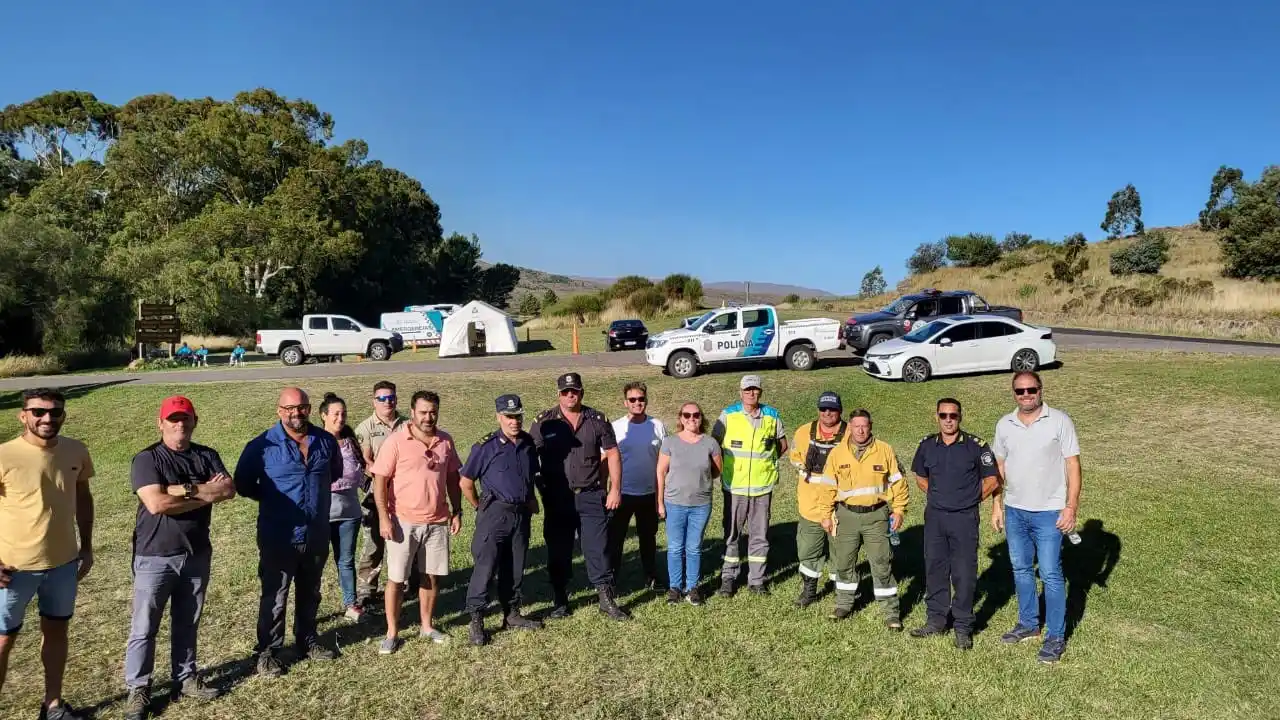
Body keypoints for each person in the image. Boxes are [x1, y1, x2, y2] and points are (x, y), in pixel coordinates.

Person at [122, 396, 237, 720]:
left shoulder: (206, 455)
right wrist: (201, 492)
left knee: (188, 621)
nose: (179, 424)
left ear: (194, 421)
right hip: (155, 555)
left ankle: (185, 678)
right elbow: (156, 504)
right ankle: (138, 689)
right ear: (161, 424)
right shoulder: (147, 459)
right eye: (173, 419)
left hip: (196, 553)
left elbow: (228, 490)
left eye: (185, 418)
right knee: (144, 626)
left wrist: (178, 491)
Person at [0, 388, 95, 720]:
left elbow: (83, 497)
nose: (47, 418)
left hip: (63, 564)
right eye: (38, 412)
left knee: (56, 632)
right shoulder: (4, 455)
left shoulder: (75, 451)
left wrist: (87, 546)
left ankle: (52, 705)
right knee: (3, 642)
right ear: (22, 415)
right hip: (11, 570)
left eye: (55, 412)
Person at [234, 387, 341, 677]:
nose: (296, 412)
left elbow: (336, 473)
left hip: (316, 533)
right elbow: (242, 484)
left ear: (309, 408)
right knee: (275, 595)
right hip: (278, 534)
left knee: (311, 591)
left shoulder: (326, 441)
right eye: (290, 407)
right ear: (279, 410)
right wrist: (272, 499)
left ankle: (307, 640)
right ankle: (268, 651)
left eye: (302, 406)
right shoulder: (262, 445)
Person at [993, 371, 1082, 664]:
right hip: (1015, 510)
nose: (1026, 395)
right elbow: (999, 469)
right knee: (1020, 569)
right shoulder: (1005, 425)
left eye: (1031, 389)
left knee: (1051, 573)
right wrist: (997, 506)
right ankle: (1029, 624)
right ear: (1014, 394)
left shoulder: (1059, 421)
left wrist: (1070, 507)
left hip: (1049, 512)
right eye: (1020, 391)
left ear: (1041, 390)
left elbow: (1073, 467)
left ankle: (1056, 636)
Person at [370, 390, 463, 654]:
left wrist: (457, 510)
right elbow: (380, 480)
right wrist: (384, 518)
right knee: (397, 579)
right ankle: (392, 632)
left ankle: (427, 625)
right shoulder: (397, 441)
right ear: (411, 413)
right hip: (402, 521)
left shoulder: (445, 441)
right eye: (422, 412)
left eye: (433, 412)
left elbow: (453, 478)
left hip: (436, 522)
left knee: (431, 576)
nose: (428, 417)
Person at [530, 372, 629, 620]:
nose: (570, 395)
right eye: (565, 391)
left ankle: (606, 599)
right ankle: (560, 600)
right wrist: (538, 487)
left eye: (574, 391)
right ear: (559, 394)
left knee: (597, 548)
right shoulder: (544, 421)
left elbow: (613, 454)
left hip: (591, 495)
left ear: (581, 392)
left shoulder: (597, 419)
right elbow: (530, 457)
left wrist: (615, 488)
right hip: (558, 497)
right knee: (559, 549)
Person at [909, 398, 999, 650]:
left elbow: (992, 479)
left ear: (960, 417)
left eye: (953, 415)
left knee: (963, 573)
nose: (948, 420)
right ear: (936, 416)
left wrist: (968, 500)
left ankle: (962, 625)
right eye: (943, 415)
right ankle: (936, 620)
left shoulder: (975, 446)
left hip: (964, 518)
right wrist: (938, 497)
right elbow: (920, 476)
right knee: (935, 568)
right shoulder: (927, 445)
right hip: (936, 517)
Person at [459, 394, 544, 646]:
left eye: (518, 416)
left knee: (516, 566)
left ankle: (512, 614)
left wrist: (530, 499)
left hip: (520, 514)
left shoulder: (528, 443)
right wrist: (479, 506)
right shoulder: (485, 447)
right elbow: (465, 482)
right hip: (494, 514)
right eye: (509, 417)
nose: (514, 421)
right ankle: (476, 620)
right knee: (485, 568)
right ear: (498, 417)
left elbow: (529, 476)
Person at [824, 409, 908, 629]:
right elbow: (826, 487)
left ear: (870, 426)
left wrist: (898, 510)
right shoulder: (837, 453)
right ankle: (844, 604)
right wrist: (825, 515)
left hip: (876, 516)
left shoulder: (884, 450)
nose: (860, 430)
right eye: (856, 426)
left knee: (881, 563)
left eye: (865, 426)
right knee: (843, 562)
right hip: (846, 516)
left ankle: (890, 612)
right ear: (849, 427)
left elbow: (898, 482)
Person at [712, 375, 787, 597]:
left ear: (761, 392)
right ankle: (728, 577)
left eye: (755, 390)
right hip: (734, 487)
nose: (751, 393)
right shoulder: (728, 415)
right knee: (732, 534)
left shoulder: (772, 416)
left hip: (762, 488)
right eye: (747, 390)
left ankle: (756, 580)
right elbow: (713, 445)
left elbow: (782, 445)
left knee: (759, 536)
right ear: (740, 392)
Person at [656, 402, 722, 606]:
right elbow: (660, 472)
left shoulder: (710, 443)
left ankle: (692, 587)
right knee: (675, 547)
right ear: (680, 418)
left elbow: (717, 470)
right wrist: (660, 502)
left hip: (700, 505)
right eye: (687, 415)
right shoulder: (670, 442)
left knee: (693, 548)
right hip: (674, 502)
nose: (691, 419)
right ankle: (675, 588)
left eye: (696, 415)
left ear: (701, 418)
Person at [787, 391, 845, 609]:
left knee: (841, 549)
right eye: (823, 409)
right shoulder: (804, 432)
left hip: (840, 503)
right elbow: (794, 458)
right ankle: (809, 590)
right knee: (808, 549)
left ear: (840, 411)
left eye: (832, 409)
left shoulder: (850, 433)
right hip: (810, 503)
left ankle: (842, 591)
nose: (827, 413)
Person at [607, 381, 666, 591]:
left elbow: (664, 461)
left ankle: (651, 576)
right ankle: (611, 581)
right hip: (622, 494)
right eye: (632, 400)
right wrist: (607, 492)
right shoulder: (616, 427)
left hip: (649, 493)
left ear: (646, 400)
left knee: (648, 539)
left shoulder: (657, 426)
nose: (637, 403)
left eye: (641, 399)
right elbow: (605, 460)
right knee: (615, 541)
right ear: (625, 403)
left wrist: (662, 496)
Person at [353, 381, 407, 606]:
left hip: (405, 493)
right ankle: (367, 590)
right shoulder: (364, 429)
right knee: (374, 543)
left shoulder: (407, 424)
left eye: (391, 397)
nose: (388, 402)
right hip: (376, 494)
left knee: (407, 541)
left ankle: (408, 583)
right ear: (373, 401)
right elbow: (363, 462)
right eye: (382, 398)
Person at [319, 393, 366, 624]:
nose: (340, 418)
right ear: (323, 416)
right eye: (335, 414)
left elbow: (363, 473)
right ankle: (310, 606)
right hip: (322, 513)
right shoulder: (314, 442)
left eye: (343, 413)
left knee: (345, 560)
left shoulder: (350, 441)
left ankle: (351, 603)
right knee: (315, 562)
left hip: (350, 512)